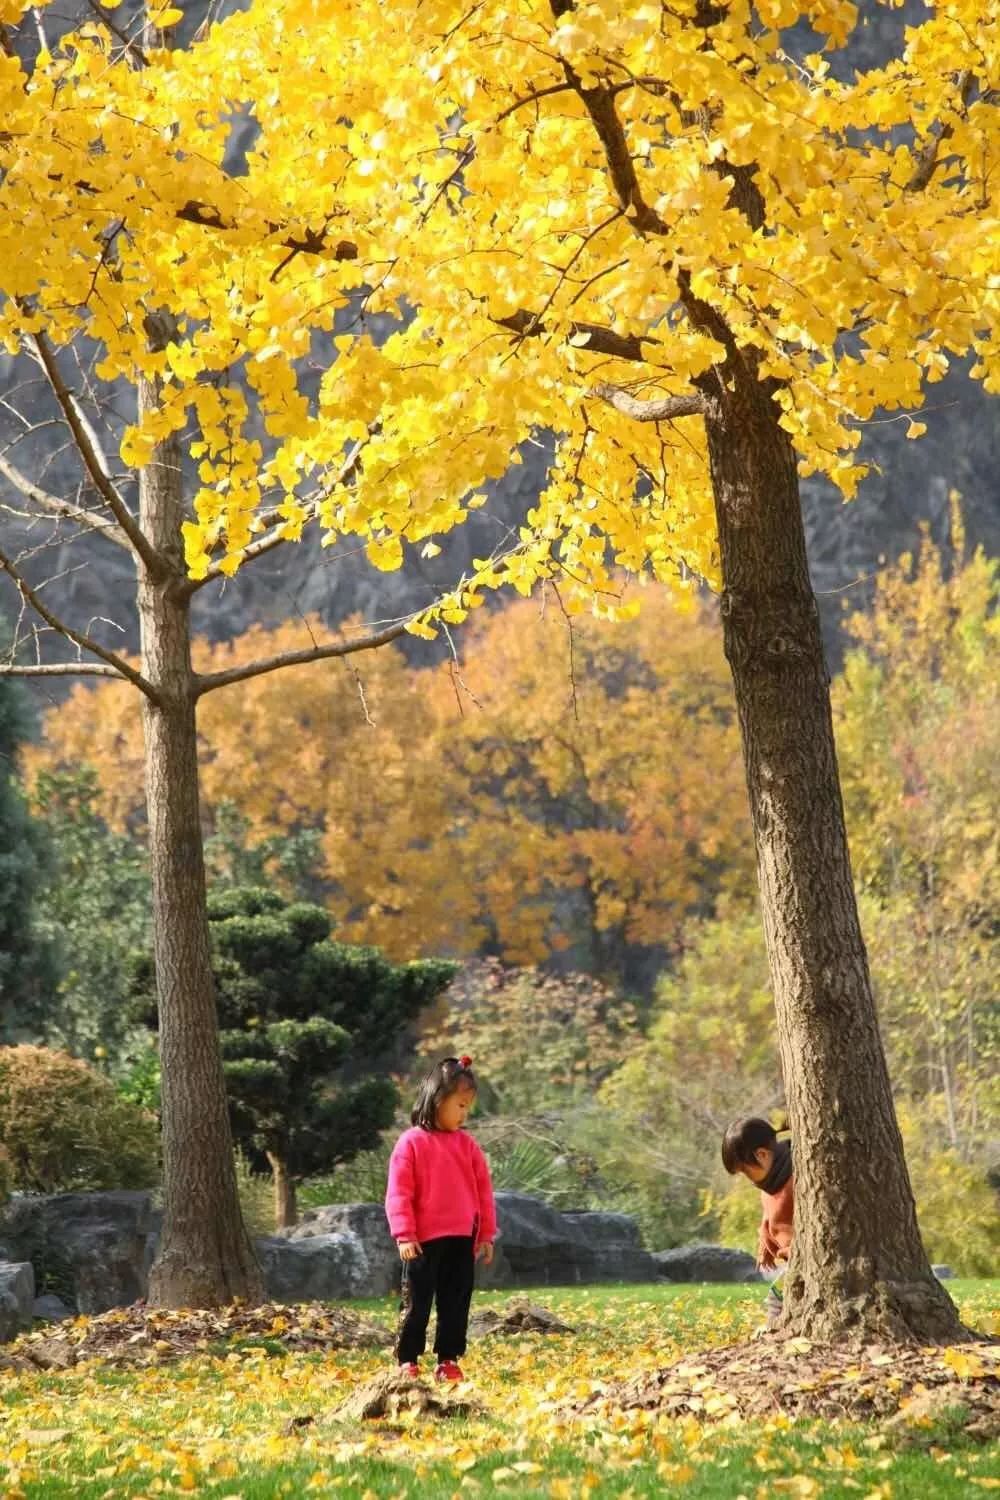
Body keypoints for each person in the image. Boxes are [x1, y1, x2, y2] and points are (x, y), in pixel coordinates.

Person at [385, 1055, 497, 1381]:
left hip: (461, 1240)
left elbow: (483, 1193)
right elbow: (398, 1193)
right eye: (460, 1106)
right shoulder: (411, 1143)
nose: (465, 1114)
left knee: (455, 1303)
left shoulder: (467, 1146)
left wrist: (486, 1234)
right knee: (416, 1303)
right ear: (437, 1101)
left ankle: (448, 1359)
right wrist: (404, 1234)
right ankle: (407, 1359)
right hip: (421, 1243)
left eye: (467, 1107)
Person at [721, 1115, 793, 1325]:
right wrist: (764, 1240)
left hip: (802, 1258)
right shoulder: (771, 1183)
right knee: (777, 1295)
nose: (746, 1178)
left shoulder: (791, 1179)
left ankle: (774, 1329)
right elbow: (769, 1215)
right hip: (787, 1259)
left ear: (761, 1154)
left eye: (745, 1171)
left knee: (777, 1297)